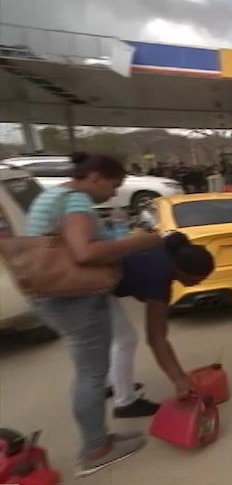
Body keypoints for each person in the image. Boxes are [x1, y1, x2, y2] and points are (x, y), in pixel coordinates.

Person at [25, 152, 163, 477]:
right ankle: (96, 449)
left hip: (54, 293)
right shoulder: (76, 201)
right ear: (96, 177)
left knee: (92, 370)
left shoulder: (53, 195)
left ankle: (99, 437)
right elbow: (85, 252)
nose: (114, 194)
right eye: (114, 186)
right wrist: (140, 241)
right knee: (91, 374)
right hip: (73, 299)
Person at [109, 231, 215, 412]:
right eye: (194, 280)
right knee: (125, 339)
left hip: (103, 280)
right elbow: (156, 338)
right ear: (179, 269)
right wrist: (179, 379)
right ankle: (125, 403)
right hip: (89, 289)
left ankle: (113, 384)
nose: (196, 285)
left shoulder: (169, 250)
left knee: (116, 338)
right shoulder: (158, 276)